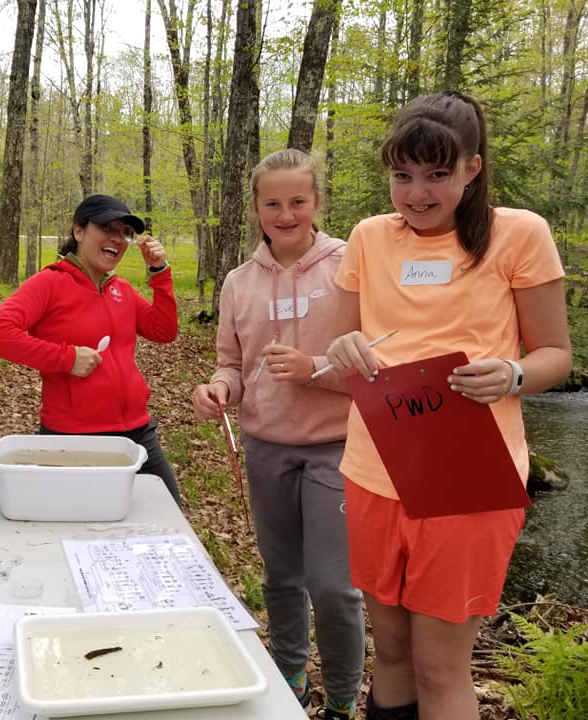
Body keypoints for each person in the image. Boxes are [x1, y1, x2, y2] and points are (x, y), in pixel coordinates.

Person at [324, 91, 571, 720]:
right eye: (403, 176)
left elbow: (555, 355)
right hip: (376, 468)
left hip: (470, 479)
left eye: (438, 174)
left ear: (473, 168)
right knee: (395, 654)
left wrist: (513, 373)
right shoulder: (369, 238)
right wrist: (345, 345)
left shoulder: (521, 234)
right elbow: (339, 346)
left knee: (440, 668)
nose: (417, 193)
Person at [191, 149, 365, 720]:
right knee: (282, 577)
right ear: (256, 209)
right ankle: (289, 678)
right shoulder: (240, 282)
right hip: (265, 447)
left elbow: (377, 363)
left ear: (317, 202)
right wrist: (218, 389)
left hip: (337, 447)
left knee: (335, 586)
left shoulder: (350, 267)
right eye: (273, 203)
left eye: (298, 201)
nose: (285, 214)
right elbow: (232, 366)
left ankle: (341, 696)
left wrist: (316, 367)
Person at [0, 194, 180, 502]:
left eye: (124, 232)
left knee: (167, 516)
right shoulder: (49, 283)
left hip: (138, 433)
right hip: (75, 438)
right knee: (83, 531)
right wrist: (66, 358)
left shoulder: (121, 290)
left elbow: (163, 331)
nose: (117, 238)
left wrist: (160, 272)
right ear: (78, 232)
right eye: (106, 228)